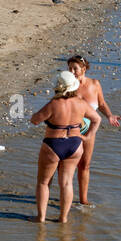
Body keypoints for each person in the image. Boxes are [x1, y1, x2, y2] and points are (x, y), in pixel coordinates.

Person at [29, 70, 99, 224]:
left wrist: (35, 114)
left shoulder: (54, 104)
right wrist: (87, 137)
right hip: (75, 145)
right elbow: (97, 119)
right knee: (67, 183)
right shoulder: (81, 103)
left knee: (43, 182)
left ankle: (40, 218)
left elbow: (35, 120)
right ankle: (63, 218)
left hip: (53, 145)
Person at [66, 56, 119, 207]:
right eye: (69, 68)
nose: (72, 71)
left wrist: (109, 115)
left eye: (74, 68)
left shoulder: (95, 84)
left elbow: (101, 103)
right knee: (67, 166)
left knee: (85, 165)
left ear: (83, 68)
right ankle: (66, 196)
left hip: (89, 132)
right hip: (71, 131)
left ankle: (83, 199)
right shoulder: (68, 87)